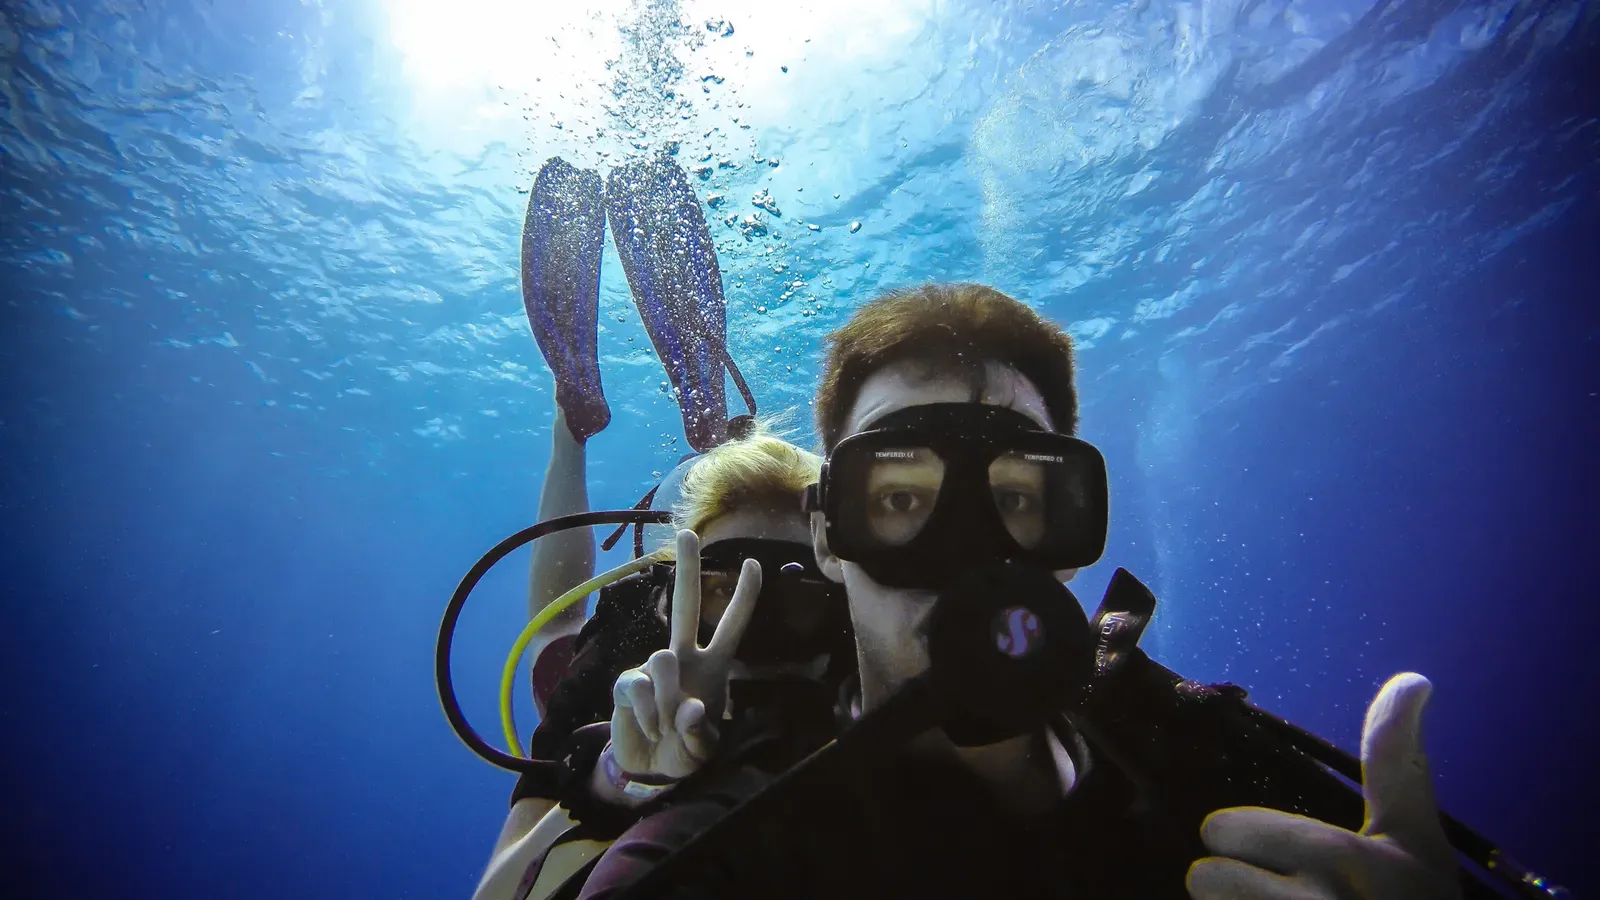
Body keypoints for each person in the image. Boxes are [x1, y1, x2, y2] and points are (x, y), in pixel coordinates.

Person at [607, 283, 1462, 900]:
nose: (963, 557)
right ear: (829, 537)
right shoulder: (741, 831)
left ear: (1071, 539)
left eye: (1015, 500)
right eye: (899, 500)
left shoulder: (1199, 763)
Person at [472, 153, 850, 900]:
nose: (754, 633)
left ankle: (612, 429)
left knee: (557, 634)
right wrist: (617, 776)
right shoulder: (631, 675)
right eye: (721, 593)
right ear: (668, 594)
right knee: (562, 636)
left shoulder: (870, 662)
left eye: (798, 596)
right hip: (651, 629)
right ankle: (647, 432)